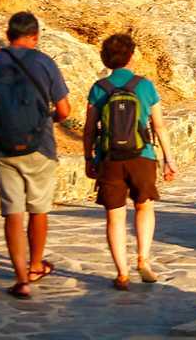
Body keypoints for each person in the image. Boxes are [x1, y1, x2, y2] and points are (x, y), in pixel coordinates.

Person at [0, 11, 72, 300]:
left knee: (13, 212)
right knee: (38, 209)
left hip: (3, 147)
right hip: (41, 147)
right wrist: (45, 124)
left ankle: (21, 280)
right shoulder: (45, 62)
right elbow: (64, 111)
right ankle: (36, 265)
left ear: (9, 34)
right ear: (35, 36)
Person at [82, 33, 177, 292]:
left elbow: (90, 129)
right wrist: (169, 159)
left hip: (110, 158)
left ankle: (122, 273)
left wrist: (88, 158)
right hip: (142, 156)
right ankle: (143, 259)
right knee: (144, 207)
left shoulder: (99, 88)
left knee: (114, 216)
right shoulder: (145, 86)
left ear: (105, 58)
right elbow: (159, 126)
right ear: (132, 56)